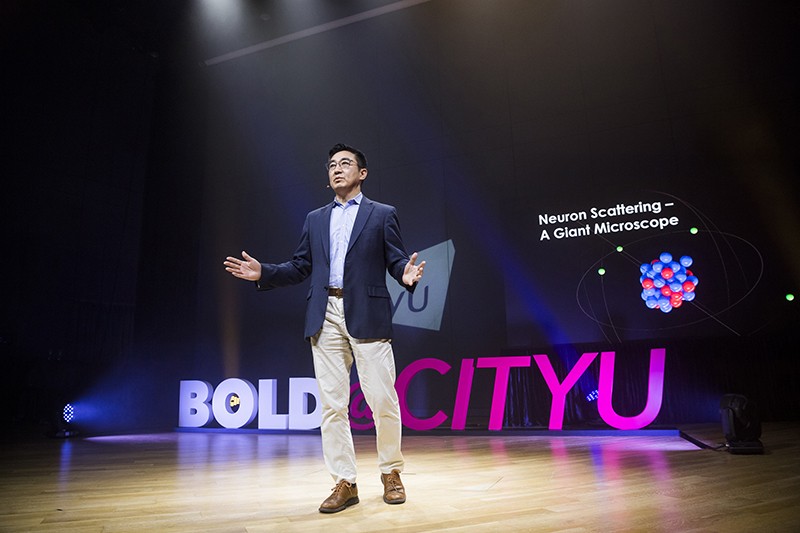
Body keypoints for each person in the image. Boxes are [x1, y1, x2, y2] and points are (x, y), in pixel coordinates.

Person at [224, 143, 425, 514]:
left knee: (383, 399)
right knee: (333, 406)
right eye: (332, 165)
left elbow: (396, 259)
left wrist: (406, 276)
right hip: (324, 313)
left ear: (362, 173)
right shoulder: (315, 218)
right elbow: (300, 266)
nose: (336, 169)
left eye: (345, 163)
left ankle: (391, 473)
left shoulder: (382, 214)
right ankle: (344, 482)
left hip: (367, 312)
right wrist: (263, 273)